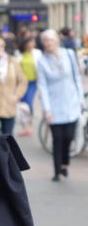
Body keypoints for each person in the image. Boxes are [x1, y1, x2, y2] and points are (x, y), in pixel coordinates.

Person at [37, 29, 85, 182]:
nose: (48, 43)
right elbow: (42, 86)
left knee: (69, 136)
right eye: (45, 41)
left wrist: (80, 99)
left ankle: (65, 162)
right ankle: (57, 170)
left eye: (50, 40)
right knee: (57, 138)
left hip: (71, 102)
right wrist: (47, 109)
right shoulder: (42, 61)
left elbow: (77, 77)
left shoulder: (69, 54)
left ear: (57, 41)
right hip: (54, 104)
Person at [16, 36, 42, 136]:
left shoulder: (37, 53)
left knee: (29, 103)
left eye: (32, 42)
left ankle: (30, 125)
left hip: (33, 82)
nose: (31, 44)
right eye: (29, 42)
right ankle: (24, 126)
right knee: (22, 106)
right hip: (22, 83)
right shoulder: (19, 54)